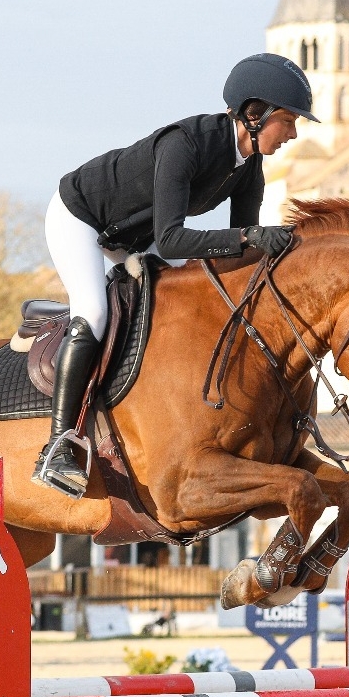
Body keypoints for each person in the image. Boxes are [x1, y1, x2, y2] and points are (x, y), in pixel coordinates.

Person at [34, 53, 317, 497]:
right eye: (289, 120)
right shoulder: (185, 144)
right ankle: (60, 444)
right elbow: (172, 240)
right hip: (82, 218)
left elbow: (243, 252)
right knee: (93, 310)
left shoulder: (249, 167)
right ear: (254, 114)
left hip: (135, 235)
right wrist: (250, 236)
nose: (294, 133)